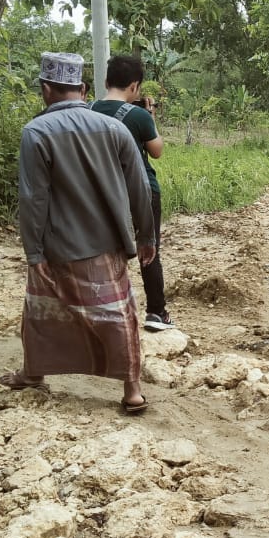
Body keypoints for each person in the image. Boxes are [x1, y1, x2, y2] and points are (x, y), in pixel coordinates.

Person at [1, 52, 157, 414]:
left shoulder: (36, 133)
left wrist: (33, 252)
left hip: (58, 245)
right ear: (84, 89)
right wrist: (147, 236)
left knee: (42, 311)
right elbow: (139, 188)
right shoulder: (116, 129)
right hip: (109, 244)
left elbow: (33, 199)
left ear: (45, 90)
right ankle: (131, 391)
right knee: (119, 313)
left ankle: (33, 373)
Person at [88, 55, 174, 333]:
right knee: (150, 249)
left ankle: (105, 309)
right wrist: (150, 118)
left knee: (105, 250)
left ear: (106, 81)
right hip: (142, 191)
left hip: (102, 191)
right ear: (135, 86)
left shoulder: (87, 110)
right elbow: (157, 151)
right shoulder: (137, 115)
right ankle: (156, 313)